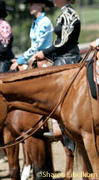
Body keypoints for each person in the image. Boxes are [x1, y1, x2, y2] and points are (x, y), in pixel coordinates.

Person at [34, 0, 81, 152]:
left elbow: (64, 42)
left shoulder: (69, 14)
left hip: (67, 57)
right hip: (61, 55)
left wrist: (45, 52)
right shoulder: (64, 13)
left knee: (52, 89)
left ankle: (61, 126)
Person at [10, 0, 54, 71]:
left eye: (31, 4)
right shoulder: (35, 22)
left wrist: (20, 59)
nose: (29, 7)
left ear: (40, 4)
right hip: (36, 57)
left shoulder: (45, 22)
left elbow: (36, 45)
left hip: (45, 58)